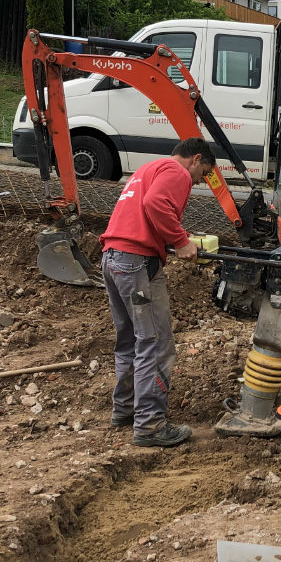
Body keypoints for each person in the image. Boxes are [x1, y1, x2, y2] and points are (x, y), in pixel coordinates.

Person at [99, 137, 217, 447]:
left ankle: (125, 410)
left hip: (113, 259)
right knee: (155, 343)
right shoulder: (177, 172)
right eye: (204, 173)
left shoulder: (148, 169)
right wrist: (180, 241)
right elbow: (156, 204)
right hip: (136, 265)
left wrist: (177, 236)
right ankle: (150, 425)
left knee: (129, 340)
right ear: (195, 159)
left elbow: (146, 209)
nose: (199, 180)